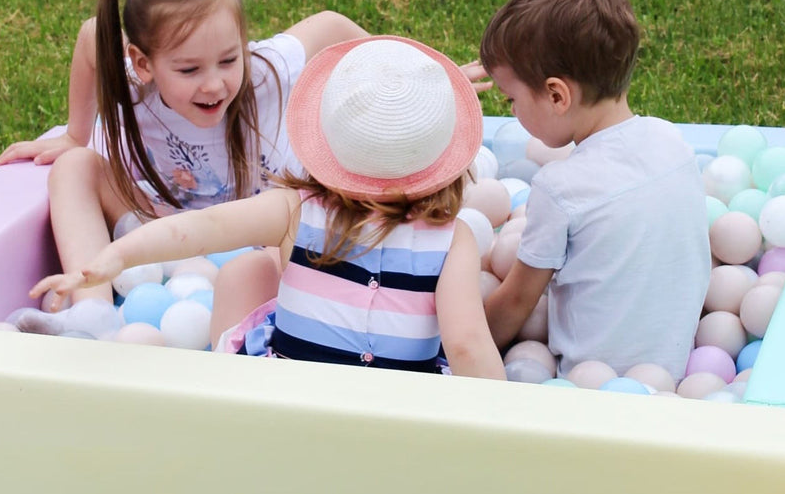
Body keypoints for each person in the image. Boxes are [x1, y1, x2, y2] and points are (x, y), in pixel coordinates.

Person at [30, 36, 507, 380]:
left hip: (291, 402)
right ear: (445, 158)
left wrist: (117, 257)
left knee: (245, 288)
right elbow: (465, 343)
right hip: (400, 413)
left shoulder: (294, 210)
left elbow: (200, 229)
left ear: (327, 141)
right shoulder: (452, 240)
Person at [0, 0, 368, 339]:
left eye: (228, 60)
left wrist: (411, 84)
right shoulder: (135, 81)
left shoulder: (266, 71)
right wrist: (76, 133)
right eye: (189, 69)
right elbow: (92, 36)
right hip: (158, 233)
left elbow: (332, 26)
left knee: (307, 217)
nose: (214, 83)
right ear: (143, 64)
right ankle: (92, 313)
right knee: (75, 167)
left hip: (261, 245)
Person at [478, 0, 710, 382]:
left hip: (590, 387)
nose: (511, 111)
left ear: (556, 95)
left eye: (511, 99)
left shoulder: (561, 187)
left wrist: (455, 344)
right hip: (676, 369)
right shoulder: (670, 139)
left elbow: (516, 302)